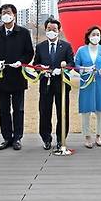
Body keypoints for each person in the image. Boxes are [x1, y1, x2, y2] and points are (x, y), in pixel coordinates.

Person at [0, 4, 34, 151]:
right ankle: (6, 137)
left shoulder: (23, 33)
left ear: (14, 15)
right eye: (3, 13)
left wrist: (22, 62)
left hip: (18, 76)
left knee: (18, 109)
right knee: (3, 110)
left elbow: (29, 52)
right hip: (1, 77)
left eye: (8, 12)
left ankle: (17, 138)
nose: (6, 15)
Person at [33, 18, 74, 150]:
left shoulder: (66, 46)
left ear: (59, 30)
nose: (52, 32)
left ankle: (61, 138)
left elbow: (71, 64)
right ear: (45, 30)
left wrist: (62, 69)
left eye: (54, 29)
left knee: (62, 112)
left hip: (61, 85)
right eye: (49, 29)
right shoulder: (40, 47)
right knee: (45, 112)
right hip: (45, 85)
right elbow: (35, 64)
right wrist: (42, 69)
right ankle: (46, 139)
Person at [74, 26, 101, 149]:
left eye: (98, 35)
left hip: (100, 83)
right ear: (88, 36)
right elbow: (76, 65)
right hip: (86, 83)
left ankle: (98, 136)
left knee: (100, 110)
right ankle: (87, 136)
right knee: (86, 110)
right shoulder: (81, 50)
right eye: (93, 34)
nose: (96, 37)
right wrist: (84, 69)